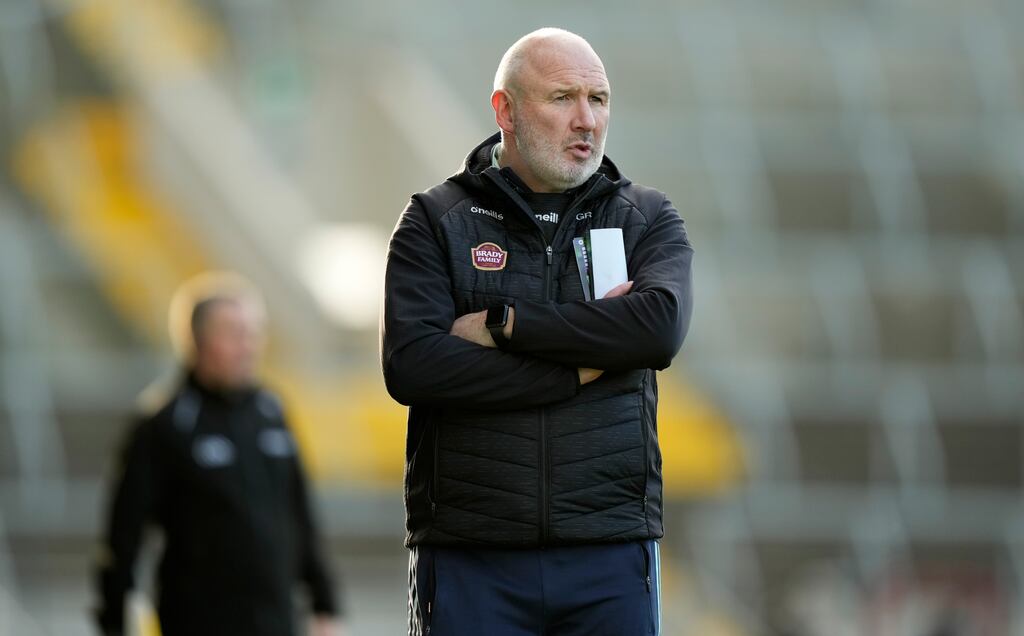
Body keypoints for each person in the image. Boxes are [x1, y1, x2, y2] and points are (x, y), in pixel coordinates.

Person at [382, 27, 693, 636]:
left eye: (598, 99)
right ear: (506, 110)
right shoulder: (435, 220)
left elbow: (658, 330)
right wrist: (576, 370)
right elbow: (414, 366)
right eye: (562, 98)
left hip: (609, 551)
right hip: (472, 550)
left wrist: (507, 324)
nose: (587, 120)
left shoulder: (646, 217)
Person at [94, 272, 344, 636]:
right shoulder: (165, 423)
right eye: (233, 333)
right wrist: (114, 621)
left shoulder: (271, 411)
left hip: (276, 620)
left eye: (254, 332)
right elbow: (123, 536)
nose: (248, 345)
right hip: (197, 620)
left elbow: (300, 514)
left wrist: (325, 606)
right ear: (196, 341)